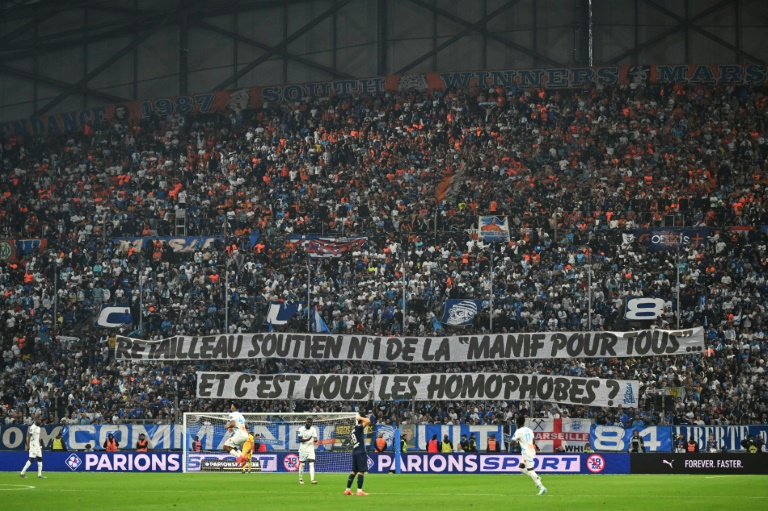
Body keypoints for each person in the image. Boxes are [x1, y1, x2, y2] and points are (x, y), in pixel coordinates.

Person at [512, 416, 546, 496]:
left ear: (517, 423)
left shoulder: (518, 431)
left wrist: (516, 442)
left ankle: (542, 487)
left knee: (530, 470)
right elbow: (533, 441)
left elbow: (512, 443)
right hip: (530, 450)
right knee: (520, 468)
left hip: (526, 452)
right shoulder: (530, 430)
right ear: (524, 422)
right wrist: (536, 447)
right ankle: (536, 477)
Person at [344, 414, 371, 496]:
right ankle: (359, 491)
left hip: (355, 452)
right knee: (361, 472)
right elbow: (368, 421)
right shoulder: (359, 427)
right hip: (360, 452)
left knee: (354, 472)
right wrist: (360, 418)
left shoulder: (353, 429)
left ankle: (347, 490)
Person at [297, 417, 319, 484]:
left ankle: (312, 480)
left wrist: (315, 440)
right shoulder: (301, 429)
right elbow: (299, 440)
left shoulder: (313, 429)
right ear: (306, 422)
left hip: (311, 448)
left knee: (311, 463)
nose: (310, 424)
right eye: (308, 422)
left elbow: (315, 437)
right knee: (302, 464)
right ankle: (300, 479)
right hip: (303, 449)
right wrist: (308, 439)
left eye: (311, 423)